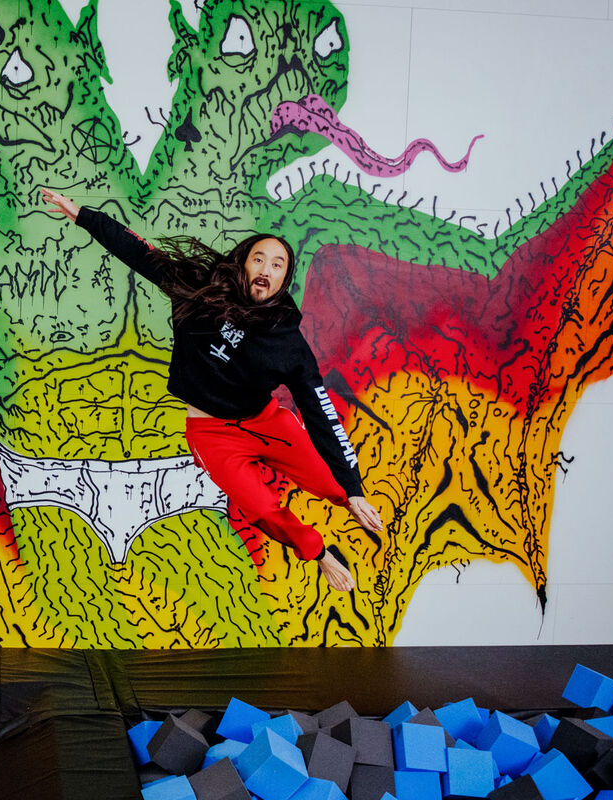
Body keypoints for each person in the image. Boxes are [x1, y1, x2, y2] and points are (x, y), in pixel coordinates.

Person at [42, 188, 384, 591]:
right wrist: (83, 216)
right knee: (263, 509)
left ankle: (350, 501)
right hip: (211, 434)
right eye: (259, 259)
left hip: (264, 422)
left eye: (277, 265)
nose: (266, 269)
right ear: (243, 263)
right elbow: (142, 254)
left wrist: (352, 489)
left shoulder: (288, 344)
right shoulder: (201, 292)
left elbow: (320, 412)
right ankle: (321, 554)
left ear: (283, 279)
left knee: (333, 482)